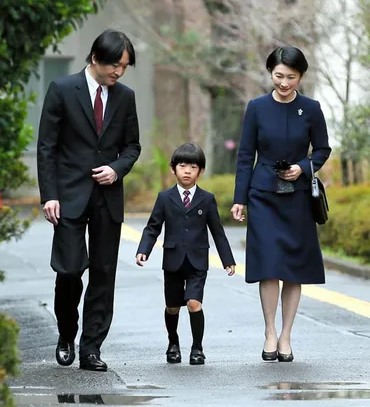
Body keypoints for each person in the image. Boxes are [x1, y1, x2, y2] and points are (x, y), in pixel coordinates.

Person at [37, 29, 141, 372]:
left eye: (125, 67)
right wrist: (49, 194)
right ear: (96, 58)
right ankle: (67, 331)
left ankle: (91, 348)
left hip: (107, 197)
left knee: (103, 273)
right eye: (116, 65)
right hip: (67, 195)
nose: (120, 73)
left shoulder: (125, 97)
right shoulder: (63, 90)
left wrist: (117, 169)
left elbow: (132, 147)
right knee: (68, 270)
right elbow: (47, 146)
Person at [231, 46, 331, 362]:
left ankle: (286, 335)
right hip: (263, 194)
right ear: (270, 73)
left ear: (300, 77)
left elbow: (323, 149)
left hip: (298, 196)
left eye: (291, 77)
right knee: (269, 265)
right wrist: (240, 198)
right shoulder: (257, 108)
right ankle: (270, 332)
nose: (284, 83)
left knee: (294, 267)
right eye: (278, 76)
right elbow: (246, 155)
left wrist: (303, 166)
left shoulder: (311, 108)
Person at [136, 143, 236, 365]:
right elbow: (153, 227)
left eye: (193, 166)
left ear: (201, 171)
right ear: (173, 169)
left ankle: (197, 348)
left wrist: (227, 260)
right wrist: (144, 250)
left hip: (198, 261)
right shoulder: (164, 198)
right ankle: (173, 343)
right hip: (172, 260)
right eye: (182, 165)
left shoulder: (207, 199)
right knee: (172, 306)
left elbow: (218, 232)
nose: (187, 171)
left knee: (193, 303)